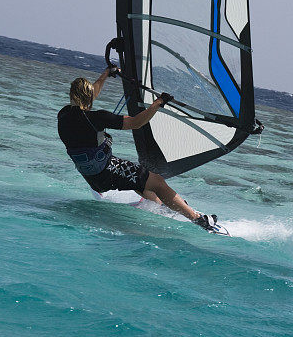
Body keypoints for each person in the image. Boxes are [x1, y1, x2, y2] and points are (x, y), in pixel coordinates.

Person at [57, 66, 218, 231]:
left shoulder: (63, 115)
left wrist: (105, 75)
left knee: (140, 181)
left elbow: (90, 97)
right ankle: (199, 220)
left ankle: (165, 209)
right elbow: (136, 123)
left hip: (91, 176)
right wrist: (158, 103)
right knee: (157, 181)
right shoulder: (98, 117)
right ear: (88, 96)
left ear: (72, 95)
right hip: (106, 171)